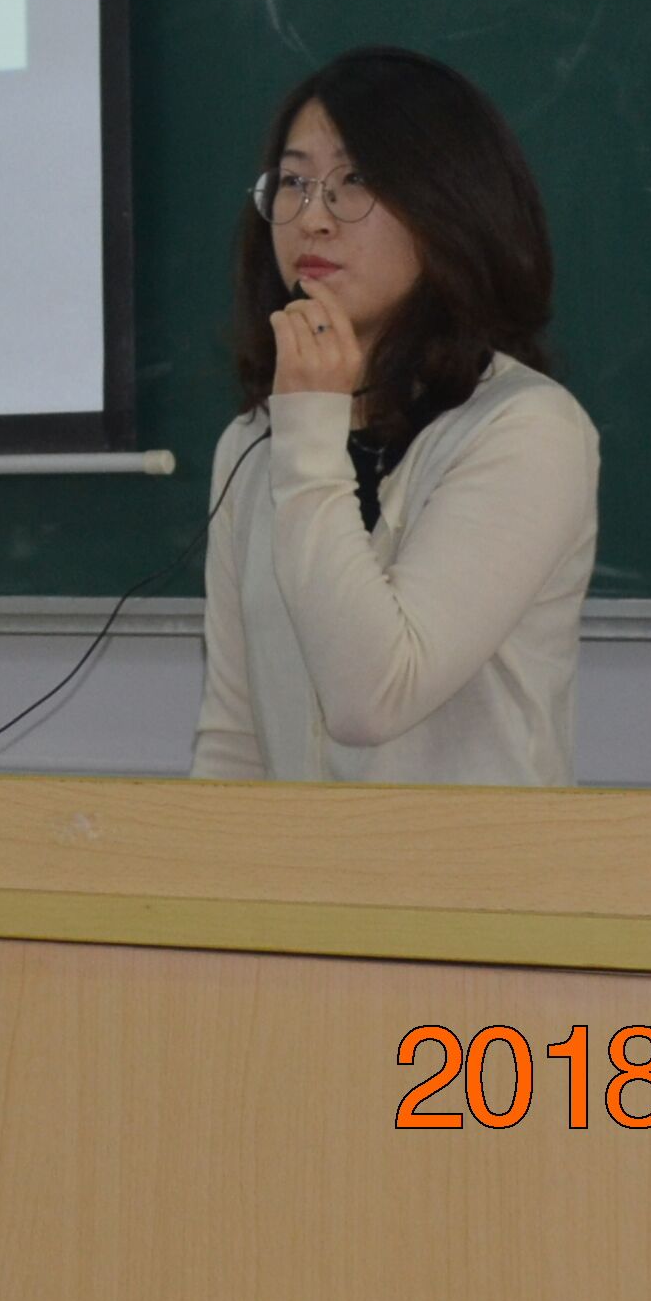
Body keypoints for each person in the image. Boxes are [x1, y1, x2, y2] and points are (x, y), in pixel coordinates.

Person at [192, 45, 600, 785]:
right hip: (298, 865)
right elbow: (234, 737)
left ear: (447, 205)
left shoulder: (526, 430)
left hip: (475, 863)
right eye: (294, 183)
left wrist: (308, 433)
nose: (313, 219)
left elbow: (373, 698)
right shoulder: (254, 442)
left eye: (356, 181)